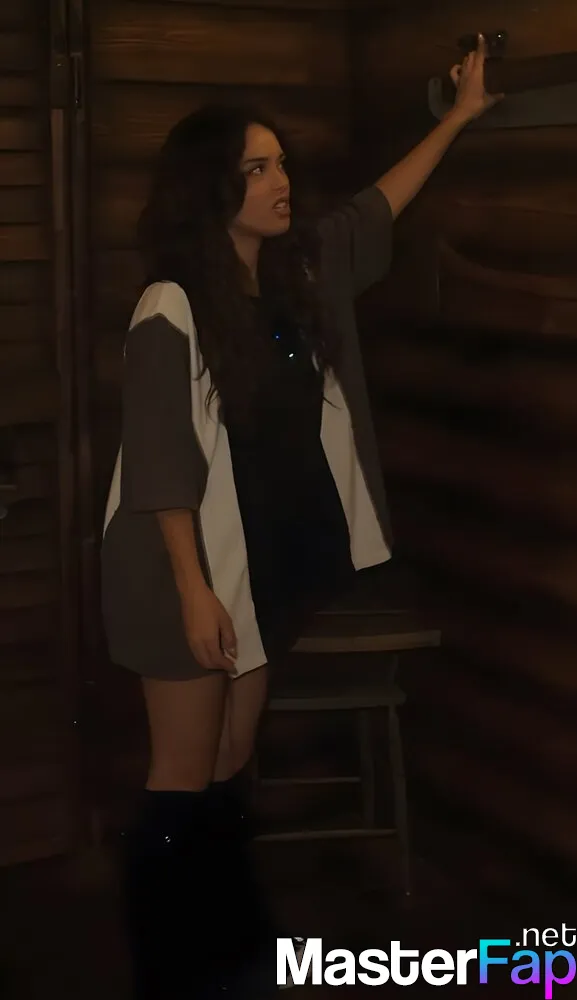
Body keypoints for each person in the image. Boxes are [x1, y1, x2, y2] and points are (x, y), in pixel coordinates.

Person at [100, 35, 499, 1000]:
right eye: (258, 169)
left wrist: (455, 118)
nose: (281, 182)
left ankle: (227, 945)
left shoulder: (295, 276)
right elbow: (158, 462)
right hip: (181, 571)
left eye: (280, 163)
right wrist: (195, 594)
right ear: (211, 189)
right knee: (182, 776)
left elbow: (375, 208)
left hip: (257, 564)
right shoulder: (170, 305)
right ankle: (169, 967)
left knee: (231, 760)